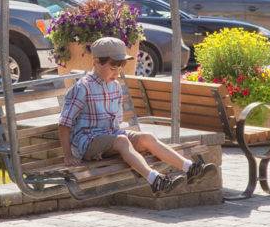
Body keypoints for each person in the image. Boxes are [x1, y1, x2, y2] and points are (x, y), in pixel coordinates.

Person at [58, 36, 214, 194]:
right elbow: (64, 123)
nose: (117, 73)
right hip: (87, 142)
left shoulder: (115, 87)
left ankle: (190, 168)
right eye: (113, 68)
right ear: (97, 62)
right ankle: (155, 180)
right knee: (122, 140)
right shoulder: (82, 88)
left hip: (111, 136)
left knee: (147, 137)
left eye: (120, 68)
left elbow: (116, 123)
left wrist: (135, 142)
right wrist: (68, 155)